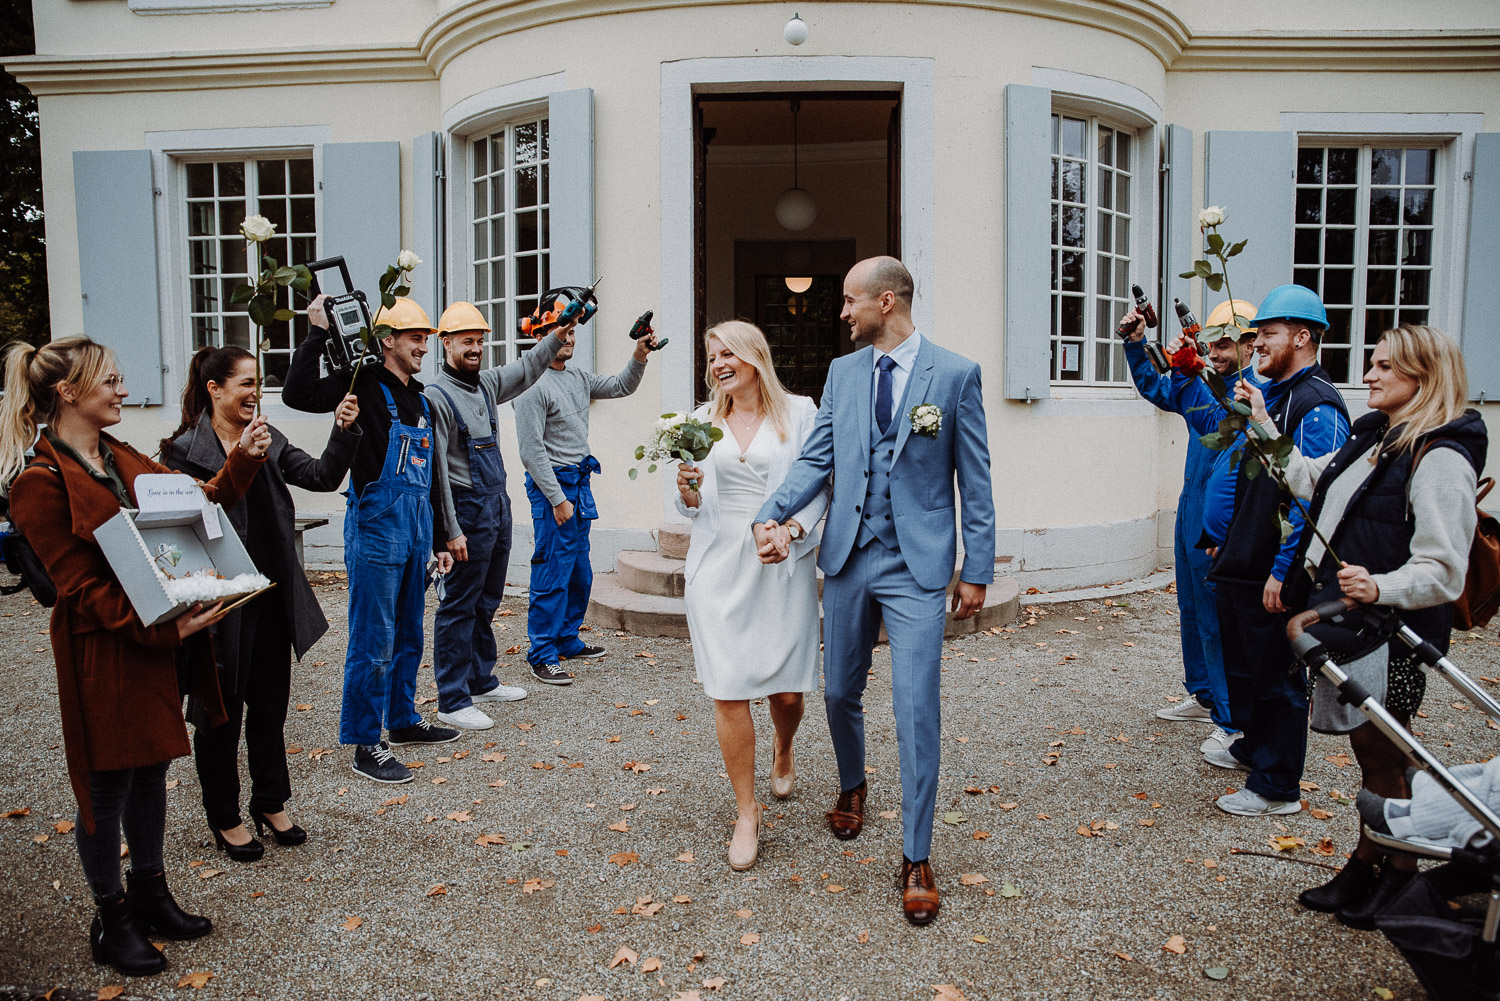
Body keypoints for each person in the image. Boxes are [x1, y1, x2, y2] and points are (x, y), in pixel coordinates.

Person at [0, 337, 270, 975]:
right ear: (68, 392)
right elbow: (80, 590)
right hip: (104, 650)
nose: (123, 390)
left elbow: (200, 502)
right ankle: (112, 917)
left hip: (154, 641)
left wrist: (243, 460)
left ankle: (150, 892)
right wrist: (163, 632)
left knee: (150, 770)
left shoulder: (123, 458)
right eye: (111, 381)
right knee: (105, 786)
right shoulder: (38, 483)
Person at [753, 256, 995, 925]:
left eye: (850, 301)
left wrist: (976, 568)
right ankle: (853, 783)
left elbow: (975, 479)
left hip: (917, 566)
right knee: (837, 691)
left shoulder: (955, 374)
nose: (842, 313)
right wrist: (771, 513)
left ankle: (916, 855)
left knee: (916, 707)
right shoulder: (843, 372)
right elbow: (817, 459)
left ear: (886, 301)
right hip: (849, 557)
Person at [1237, 324, 1486, 926]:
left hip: (1396, 632)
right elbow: (1312, 485)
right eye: (1372, 363)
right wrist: (1263, 422)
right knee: (1373, 750)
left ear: (1424, 377)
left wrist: (1381, 586)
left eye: (1384, 367)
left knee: (1385, 754)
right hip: (1352, 622)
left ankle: (1398, 872)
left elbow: (1444, 568)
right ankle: (1375, 862)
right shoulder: (1378, 436)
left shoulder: (1440, 456)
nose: (1368, 375)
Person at [161, 342, 361, 860]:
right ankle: (224, 815)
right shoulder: (182, 451)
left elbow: (321, 476)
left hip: (271, 595)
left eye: (258, 383)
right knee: (220, 715)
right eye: (246, 383)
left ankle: (270, 802)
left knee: (269, 712)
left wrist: (342, 431)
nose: (256, 393)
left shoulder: (267, 439)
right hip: (221, 604)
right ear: (215, 389)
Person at [1172, 283, 1350, 815]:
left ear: (1301, 337)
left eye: (1267, 334)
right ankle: (1254, 747)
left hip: (1274, 571)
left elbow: (1313, 499)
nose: (1257, 345)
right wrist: (1226, 542)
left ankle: (1277, 785)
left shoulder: (1317, 406)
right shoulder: (1272, 394)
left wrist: (1282, 570)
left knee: (1276, 676)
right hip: (1242, 559)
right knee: (1247, 668)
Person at [672, 321, 830, 871]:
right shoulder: (698, 422)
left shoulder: (801, 413)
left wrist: (793, 531)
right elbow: (691, 506)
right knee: (728, 690)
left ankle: (784, 748)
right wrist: (687, 492)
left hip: (780, 561)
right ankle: (746, 811)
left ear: (755, 356)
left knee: (786, 694)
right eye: (711, 356)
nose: (718, 364)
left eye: (728, 354)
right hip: (717, 566)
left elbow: (821, 485)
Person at [282, 296, 458, 785]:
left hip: (416, 526)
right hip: (377, 527)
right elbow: (297, 394)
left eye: (425, 338)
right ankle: (365, 741)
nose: (423, 346)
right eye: (415, 338)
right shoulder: (359, 381)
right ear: (388, 341)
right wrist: (316, 332)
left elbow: (432, 474)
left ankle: (401, 720)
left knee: (409, 632)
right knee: (373, 638)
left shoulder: (421, 399)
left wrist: (439, 540)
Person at [1120, 299, 1261, 760]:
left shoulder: (1253, 393)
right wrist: (1137, 344)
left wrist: (1195, 373)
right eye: (1211, 344)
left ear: (1250, 345)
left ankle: (1231, 719)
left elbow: (1233, 429)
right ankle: (1204, 695)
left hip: (1221, 518)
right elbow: (1158, 390)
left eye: (1225, 345)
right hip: (1190, 507)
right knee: (1192, 609)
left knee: (1218, 618)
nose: (1215, 352)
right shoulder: (1204, 381)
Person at [426, 302, 568, 729]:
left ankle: (480, 680)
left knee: (487, 600)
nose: (475, 348)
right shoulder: (436, 397)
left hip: (496, 506)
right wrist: (448, 531)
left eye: (479, 341)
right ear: (446, 343)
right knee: (458, 605)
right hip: (466, 512)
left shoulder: (486, 384)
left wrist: (560, 331)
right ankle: (452, 699)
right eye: (466, 341)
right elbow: (437, 474)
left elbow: (528, 368)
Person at [513, 313, 659, 685]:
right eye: (560, 332)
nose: (568, 338)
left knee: (579, 570)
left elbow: (621, 386)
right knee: (552, 570)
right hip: (553, 488)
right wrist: (557, 498)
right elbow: (531, 452)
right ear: (541, 338)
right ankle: (542, 653)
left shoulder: (577, 377)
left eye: (572, 332)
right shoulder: (531, 385)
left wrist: (640, 354)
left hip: (579, 483)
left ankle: (566, 638)